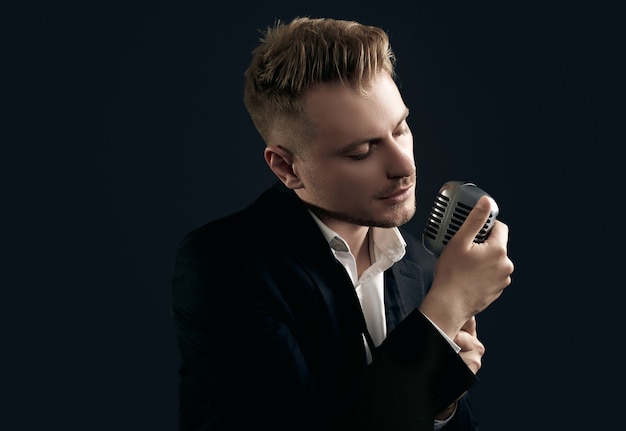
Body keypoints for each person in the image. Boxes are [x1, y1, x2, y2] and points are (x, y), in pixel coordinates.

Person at [171, 16, 514, 431]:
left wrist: (442, 407)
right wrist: (448, 307)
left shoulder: (422, 268)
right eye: (362, 151)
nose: (404, 166)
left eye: (401, 128)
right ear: (286, 167)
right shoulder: (222, 265)